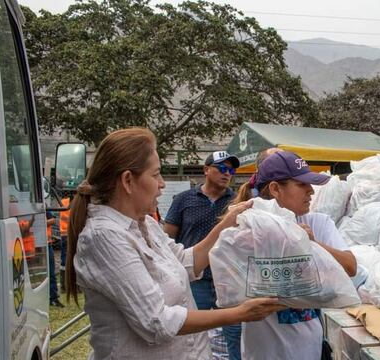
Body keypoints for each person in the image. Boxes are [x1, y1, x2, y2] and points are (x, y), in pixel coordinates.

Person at [65, 128, 284, 360]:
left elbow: (185, 262)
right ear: (128, 181)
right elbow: (156, 321)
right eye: (156, 174)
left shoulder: (145, 224)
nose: (162, 184)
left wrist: (228, 223)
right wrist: (239, 313)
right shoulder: (104, 237)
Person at [233, 150, 357, 360]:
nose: (311, 191)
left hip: (310, 348)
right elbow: (235, 290)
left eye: (310, 183)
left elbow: (351, 267)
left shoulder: (319, 222)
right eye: (301, 184)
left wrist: (313, 243)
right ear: (275, 189)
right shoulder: (250, 226)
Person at [163, 150, 241, 359]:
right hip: (195, 279)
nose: (227, 173)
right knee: (192, 336)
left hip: (228, 279)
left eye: (231, 170)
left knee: (235, 334)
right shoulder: (183, 199)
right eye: (222, 168)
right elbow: (167, 238)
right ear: (206, 170)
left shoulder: (236, 202)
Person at [46, 212, 63, 307]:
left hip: (46, 244)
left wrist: (40, 223)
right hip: (31, 246)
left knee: (51, 273)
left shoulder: (42, 206)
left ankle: (53, 298)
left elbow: (52, 219)